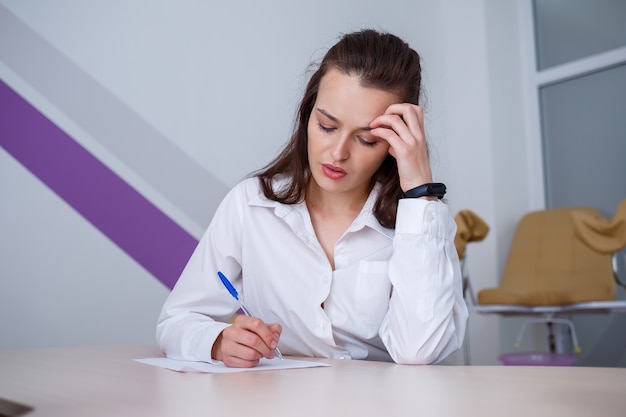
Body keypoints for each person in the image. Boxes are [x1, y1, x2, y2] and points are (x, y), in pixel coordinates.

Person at [157, 29, 468, 367]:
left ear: (397, 143)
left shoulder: (420, 226)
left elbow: (419, 352)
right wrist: (217, 342)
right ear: (308, 114)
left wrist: (420, 190)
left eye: (366, 140)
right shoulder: (250, 205)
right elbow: (177, 320)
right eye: (326, 126)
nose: (337, 153)